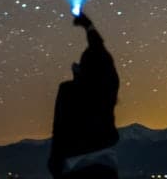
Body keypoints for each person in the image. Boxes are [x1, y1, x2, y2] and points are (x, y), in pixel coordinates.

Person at [48, 12, 121, 179]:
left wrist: (55, 161)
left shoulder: (69, 90)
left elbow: (59, 128)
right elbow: (101, 54)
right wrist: (89, 27)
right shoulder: (108, 88)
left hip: (75, 165)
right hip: (105, 165)